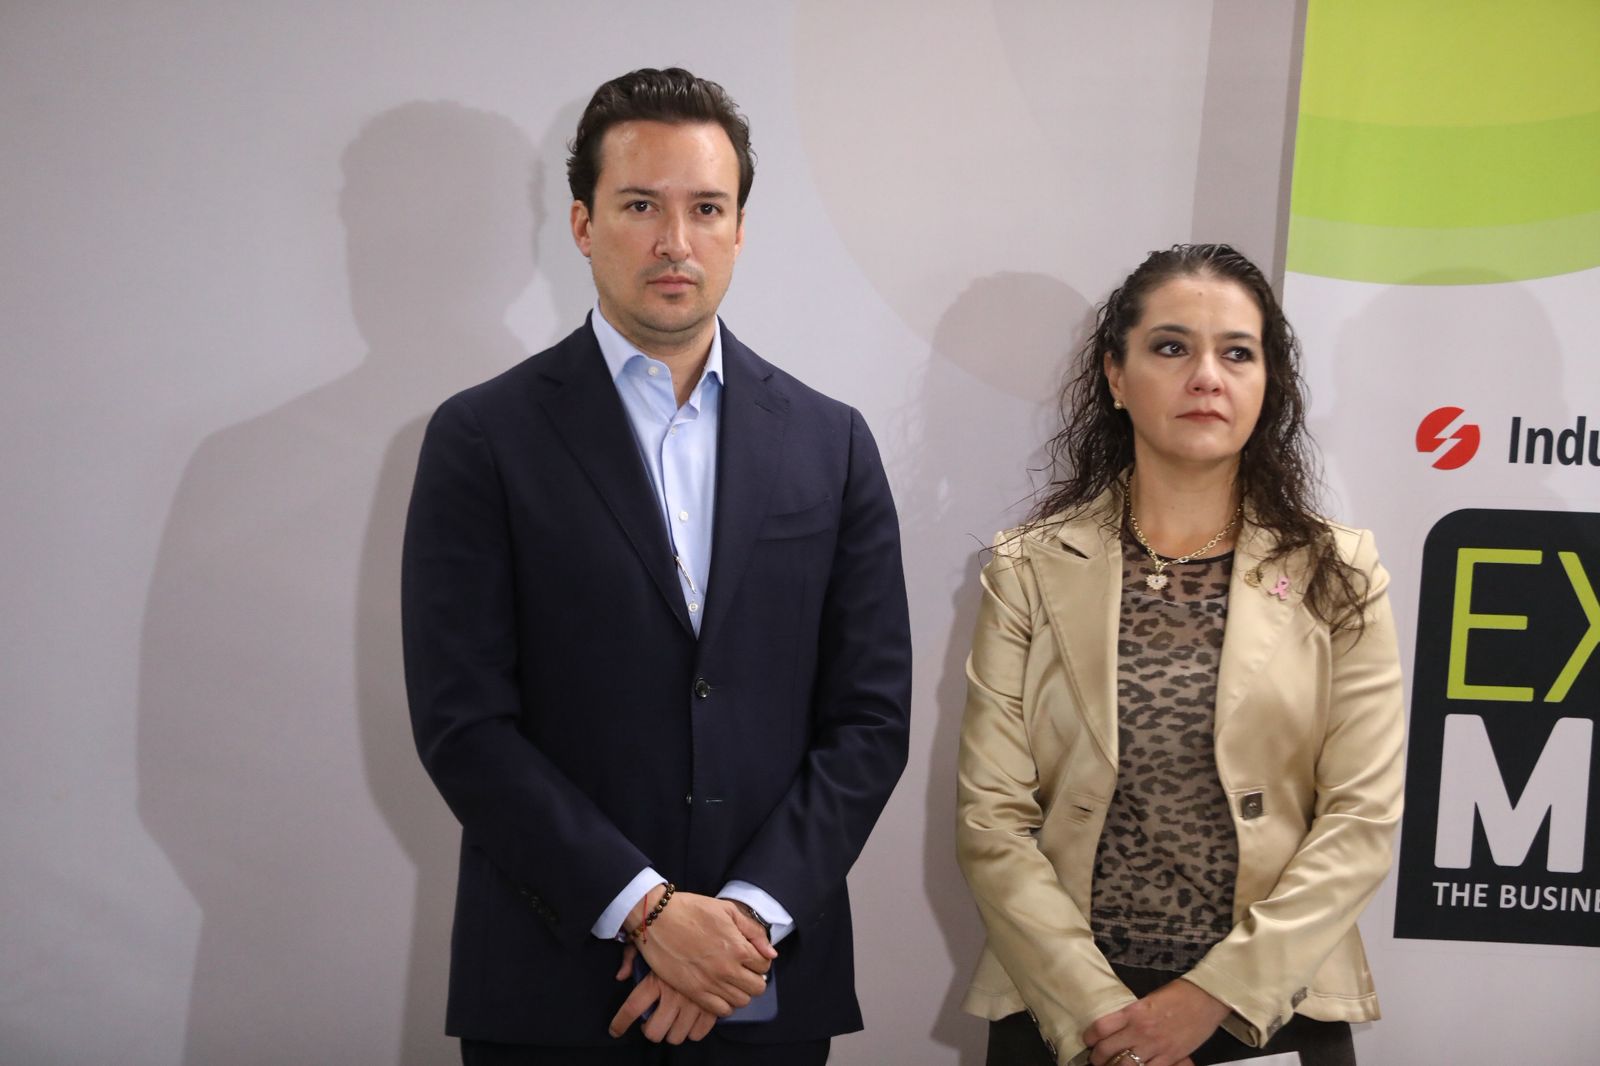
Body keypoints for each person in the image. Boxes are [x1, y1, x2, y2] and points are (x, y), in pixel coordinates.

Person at [402, 67, 911, 1065]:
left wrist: (742, 921)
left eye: (706, 208)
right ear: (583, 225)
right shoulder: (483, 437)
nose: (676, 241)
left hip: (764, 983)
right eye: (641, 206)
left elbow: (870, 719)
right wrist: (646, 911)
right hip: (554, 987)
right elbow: (464, 723)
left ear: (740, 229)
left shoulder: (832, 442)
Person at [955, 244, 1404, 1066]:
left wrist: (1209, 998)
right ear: (1116, 377)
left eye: (1237, 353)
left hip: (1269, 1009)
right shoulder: (1028, 568)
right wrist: (1104, 1017)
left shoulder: (1340, 572)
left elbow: (1362, 819)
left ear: (1267, 384)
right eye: (1171, 347)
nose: (1206, 377)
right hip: (1066, 1012)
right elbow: (992, 821)